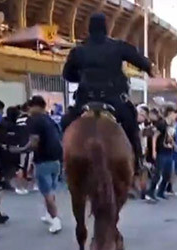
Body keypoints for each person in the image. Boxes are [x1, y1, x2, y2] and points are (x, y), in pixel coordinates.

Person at [61, 12, 153, 178]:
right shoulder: (117, 46)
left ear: (89, 28)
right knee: (131, 123)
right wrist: (149, 68)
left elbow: (67, 74)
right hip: (114, 100)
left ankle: (63, 159)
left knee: (66, 123)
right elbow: (139, 60)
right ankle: (138, 162)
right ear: (106, 27)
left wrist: (81, 76)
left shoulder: (79, 50)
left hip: (85, 100)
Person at [25, 95, 64, 233]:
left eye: (30, 106)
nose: (29, 109)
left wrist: (20, 150)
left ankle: (55, 219)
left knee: (46, 192)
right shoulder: (50, 119)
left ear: (35, 106)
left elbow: (34, 142)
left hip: (43, 160)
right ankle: (49, 214)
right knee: (51, 189)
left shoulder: (33, 120)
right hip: (56, 160)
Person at [146, 106, 177, 202]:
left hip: (169, 151)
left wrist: (175, 146)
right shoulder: (161, 124)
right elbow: (155, 137)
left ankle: (161, 191)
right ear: (169, 114)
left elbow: (170, 137)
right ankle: (150, 192)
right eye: (174, 113)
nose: (175, 116)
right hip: (161, 151)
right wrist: (154, 151)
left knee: (167, 174)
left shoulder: (172, 125)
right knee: (157, 173)